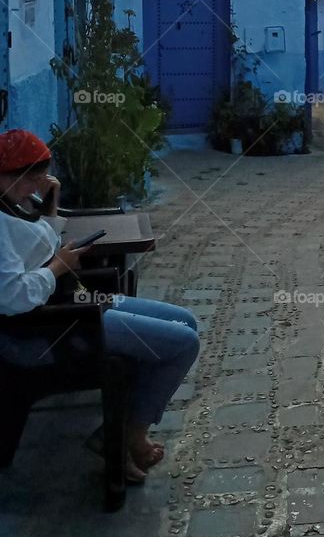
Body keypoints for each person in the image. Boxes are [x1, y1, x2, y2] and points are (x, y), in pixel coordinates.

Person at [0, 129, 199, 484]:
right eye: (29, 177)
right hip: (55, 326)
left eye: (38, 177)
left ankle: (123, 429)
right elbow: (13, 296)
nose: (35, 185)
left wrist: (50, 202)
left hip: (74, 303)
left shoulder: (10, 204)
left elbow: (43, 243)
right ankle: (126, 435)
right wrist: (58, 266)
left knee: (186, 321)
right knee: (183, 343)